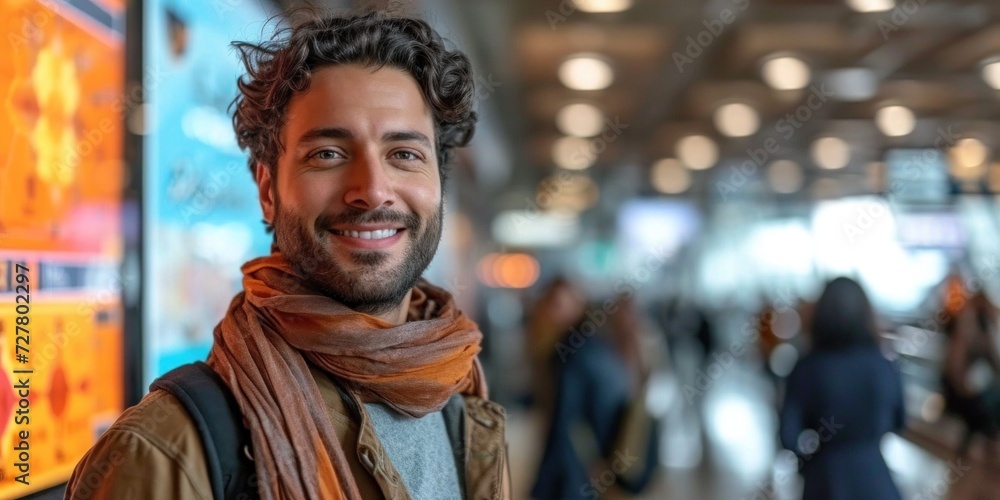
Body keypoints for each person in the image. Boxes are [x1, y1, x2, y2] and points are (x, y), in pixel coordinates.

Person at [65, 10, 509, 500]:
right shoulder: (167, 451)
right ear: (268, 191)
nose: (373, 191)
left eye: (404, 154)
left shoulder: (459, 399)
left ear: (438, 187)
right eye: (328, 154)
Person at [779, 277, 904, 500]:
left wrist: (809, 460)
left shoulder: (806, 367)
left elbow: (788, 437)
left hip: (825, 482)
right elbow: (899, 421)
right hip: (877, 481)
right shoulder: (884, 364)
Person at [531, 294, 658, 499]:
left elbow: (564, 423)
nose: (551, 314)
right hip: (611, 459)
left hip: (585, 469)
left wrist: (544, 485)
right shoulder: (607, 349)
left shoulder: (575, 353)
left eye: (559, 305)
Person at [942, 289, 1000, 450]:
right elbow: (955, 367)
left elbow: (994, 361)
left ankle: (973, 455)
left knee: (981, 421)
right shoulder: (967, 329)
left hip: (976, 390)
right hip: (967, 392)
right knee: (982, 416)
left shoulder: (984, 329)